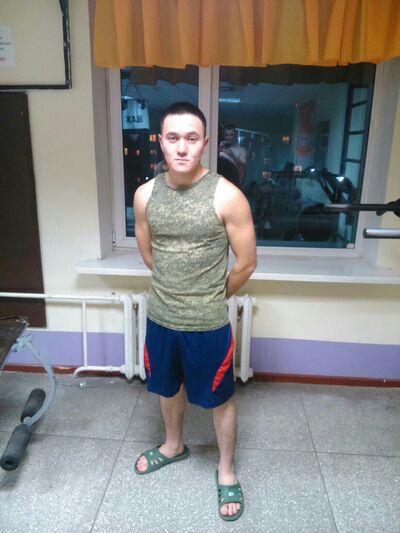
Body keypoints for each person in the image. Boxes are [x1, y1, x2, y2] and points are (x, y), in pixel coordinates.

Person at [133, 102, 256, 522]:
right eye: (173, 138)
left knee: (220, 398)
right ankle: (173, 445)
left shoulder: (227, 195)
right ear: (161, 142)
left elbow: (246, 263)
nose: (182, 147)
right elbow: (149, 254)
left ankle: (226, 470)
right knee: (168, 389)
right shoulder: (145, 195)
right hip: (161, 318)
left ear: (205, 143)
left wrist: (210, 296)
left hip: (208, 324)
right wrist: (176, 289)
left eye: (191, 138)